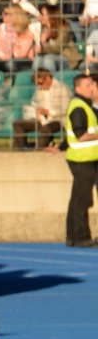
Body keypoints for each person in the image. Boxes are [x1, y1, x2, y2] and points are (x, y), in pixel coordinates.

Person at [63, 73, 98, 247]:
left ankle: (72, 236)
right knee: (82, 199)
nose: (92, 88)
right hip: (82, 159)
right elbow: (81, 135)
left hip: (85, 158)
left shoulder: (84, 105)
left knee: (77, 198)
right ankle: (81, 236)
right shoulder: (79, 107)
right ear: (78, 88)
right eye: (88, 85)